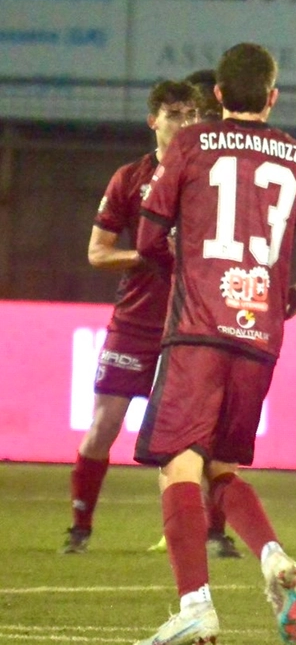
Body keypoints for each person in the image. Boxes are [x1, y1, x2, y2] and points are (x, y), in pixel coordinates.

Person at [131, 42, 296, 645]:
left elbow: (150, 236)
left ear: (220, 97)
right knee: (221, 467)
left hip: (199, 328)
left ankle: (196, 606)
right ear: (274, 97)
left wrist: (178, 268)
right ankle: (272, 556)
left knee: (178, 465)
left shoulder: (190, 144)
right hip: (259, 333)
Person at [61, 80, 212, 555]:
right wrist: (148, 256)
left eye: (192, 113)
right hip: (136, 322)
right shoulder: (129, 178)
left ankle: (201, 534)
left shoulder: (211, 177)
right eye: (174, 113)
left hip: (191, 325)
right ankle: (80, 528)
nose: (185, 122)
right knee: (104, 427)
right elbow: (97, 254)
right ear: (154, 121)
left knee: (189, 440)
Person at [147, 68, 247, 559]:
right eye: (190, 114)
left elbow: (150, 239)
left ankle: (207, 537)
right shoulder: (259, 161)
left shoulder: (198, 163)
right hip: (240, 319)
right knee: (210, 448)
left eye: (203, 113)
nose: (198, 122)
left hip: (195, 322)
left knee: (183, 449)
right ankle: (227, 537)